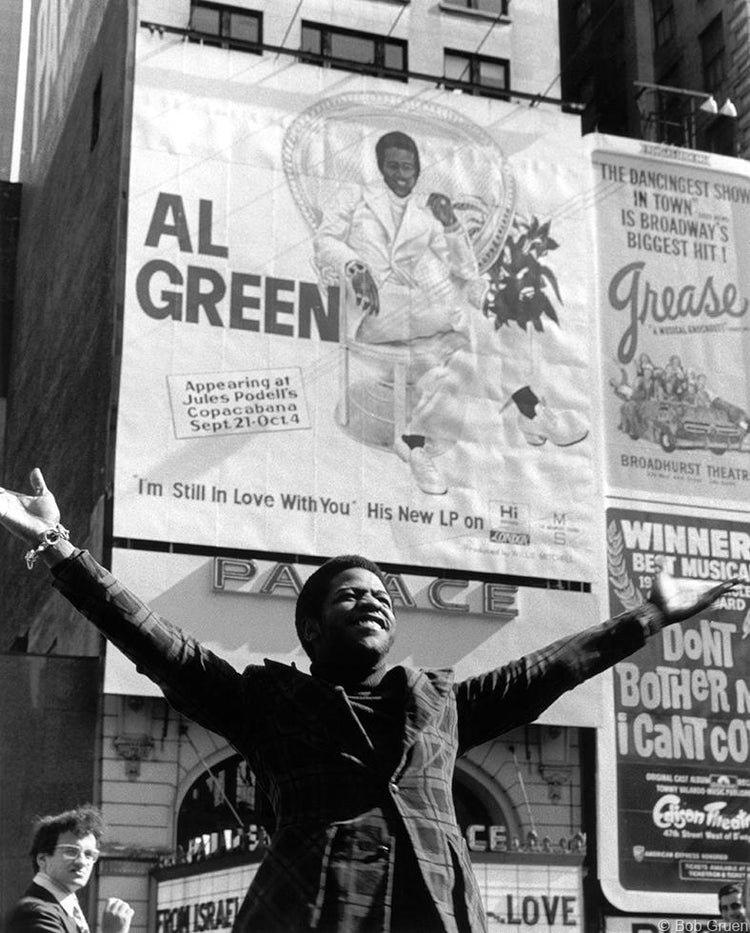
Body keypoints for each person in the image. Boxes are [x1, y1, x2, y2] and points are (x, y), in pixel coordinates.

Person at [0, 470, 735, 933]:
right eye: (350, 593)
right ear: (312, 627)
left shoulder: (439, 702)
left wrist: (648, 616)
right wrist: (63, 548)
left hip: (436, 908)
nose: (372, 600)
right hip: (308, 910)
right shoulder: (270, 701)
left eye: (382, 594)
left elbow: (550, 667)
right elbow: (165, 645)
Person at [314, 130, 587, 496]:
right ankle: (529, 410)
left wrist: (452, 225)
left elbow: (464, 270)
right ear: (380, 166)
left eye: (408, 167)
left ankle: (413, 442)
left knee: (467, 358)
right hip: (372, 310)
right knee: (475, 324)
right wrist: (353, 266)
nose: (400, 174)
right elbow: (325, 240)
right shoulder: (356, 196)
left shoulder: (425, 211)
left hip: (418, 311)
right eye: (392, 166)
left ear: (418, 169)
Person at [6, 804, 134, 933]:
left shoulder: (60, 908)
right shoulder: (35, 912)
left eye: (89, 854)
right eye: (71, 851)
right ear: (42, 859)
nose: (82, 862)